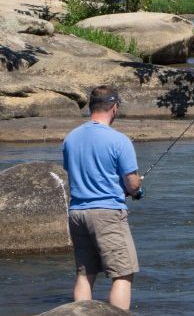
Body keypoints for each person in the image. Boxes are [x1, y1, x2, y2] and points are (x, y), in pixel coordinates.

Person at [62, 85, 144, 311]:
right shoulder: (119, 141)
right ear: (114, 107)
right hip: (107, 214)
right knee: (123, 274)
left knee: (85, 273)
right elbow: (132, 183)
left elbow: (77, 173)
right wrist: (136, 191)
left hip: (77, 213)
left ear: (91, 106)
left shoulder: (70, 138)